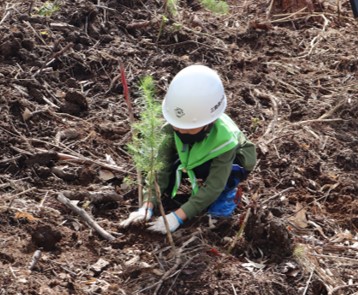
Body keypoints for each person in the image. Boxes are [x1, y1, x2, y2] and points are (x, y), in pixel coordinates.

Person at [120, 65, 256, 234]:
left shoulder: (225, 140)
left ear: (209, 123)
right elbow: (160, 169)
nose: (182, 132)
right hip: (193, 156)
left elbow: (214, 185)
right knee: (169, 167)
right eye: (177, 127)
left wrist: (178, 216)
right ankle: (170, 193)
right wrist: (148, 205)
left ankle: (226, 197)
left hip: (234, 161)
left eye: (189, 129)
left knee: (225, 179)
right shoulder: (172, 129)